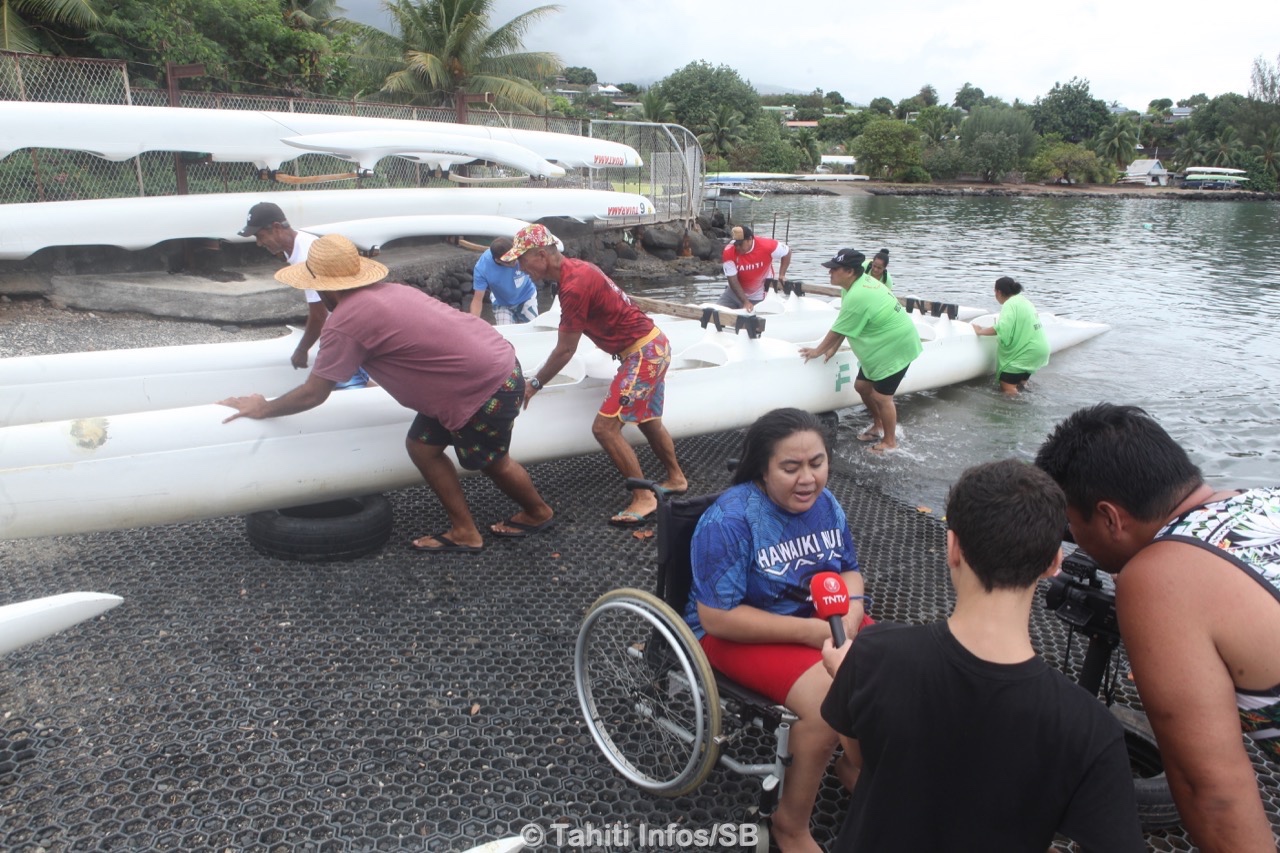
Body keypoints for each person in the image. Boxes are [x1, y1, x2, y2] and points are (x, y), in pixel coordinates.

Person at [819, 459, 1144, 852]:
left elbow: (862, 757)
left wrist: (846, 674)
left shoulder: (874, 654)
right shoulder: (1089, 728)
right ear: (1053, 563)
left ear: (952, 547)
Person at [1036, 403, 1280, 852]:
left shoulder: (1158, 577)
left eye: (1071, 522)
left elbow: (1214, 797)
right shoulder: (1260, 503)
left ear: (1110, 517)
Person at [218, 234, 555, 553]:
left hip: (486, 384)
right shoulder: (390, 291)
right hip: (487, 365)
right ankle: (465, 531)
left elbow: (313, 394)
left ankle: (538, 512)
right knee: (423, 447)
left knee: (493, 462)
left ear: (322, 289)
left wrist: (263, 408)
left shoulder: (345, 322)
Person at [686, 407, 871, 853]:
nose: (807, 478)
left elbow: (850, 572)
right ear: (763, 469)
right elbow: (718, 618)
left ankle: (855, 765)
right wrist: (812, 636)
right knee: (831, 704)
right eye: (790, 467)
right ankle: (789, 824)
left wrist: (849, 614)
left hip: (822, 617)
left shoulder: (826, 504)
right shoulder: (731, 521)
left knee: (888, 671)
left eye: (816, 463)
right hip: (737, 632)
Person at [503, 224, 688, 527]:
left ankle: (644, 498)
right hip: (654, 345)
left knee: (604, 429)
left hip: (643, 354)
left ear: (540, 255)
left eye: (522, 260)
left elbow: (565, 351)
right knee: (648, 419)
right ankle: (676, 478)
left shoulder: (574, 286)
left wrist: (533, 384)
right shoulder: (577, 269)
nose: (521, 268)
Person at [799, 249, 922, 454]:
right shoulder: (854, 285)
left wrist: (818, 351)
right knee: (862, 387)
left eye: (834, 270)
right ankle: (879, 424)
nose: (830, 273)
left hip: (895, 347)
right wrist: (833, 347)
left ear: (849, 272)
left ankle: (890, 442)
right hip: (880, 346)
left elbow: (838, 328)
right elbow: (846, 323)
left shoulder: (859, 294)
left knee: (883, 397)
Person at [239, 201, 369, 388]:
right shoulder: (295, 246)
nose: (259, 243)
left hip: (349, 327)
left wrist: (302, 350)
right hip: (347, 323)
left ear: (276, 228)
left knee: (345, 387)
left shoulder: (308, 256)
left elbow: (319, 315)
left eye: (261, 236)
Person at [971, 276, 1049, 395]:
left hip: (1025, 353)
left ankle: (1017, 409)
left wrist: (980, 331)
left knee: (1008, 390)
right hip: (1039, 350)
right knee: (1021, 386)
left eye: (994, 292)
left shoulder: (1009, 305)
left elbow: (1003, 328)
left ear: (998, 292)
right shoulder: (1025, 301)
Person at [717, 225, 791, 312]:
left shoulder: (767, 246)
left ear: (750, 239)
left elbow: (787, 252)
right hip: (735, 293)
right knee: (716, 313)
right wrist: (745, 301)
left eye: (740, 244)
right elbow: (733, 280)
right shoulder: (729, 251)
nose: (737, 248)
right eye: (735, 244)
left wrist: (782, 274)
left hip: (760, 293)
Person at [468, 236, 539, 325]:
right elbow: (477, 300)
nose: (515, 263)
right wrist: (473, 325)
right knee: (505, 335)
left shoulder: (520, 253)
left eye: (515, 258)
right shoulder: (483, 268)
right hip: (501, 302)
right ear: (498, 260)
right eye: (510, 262)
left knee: (534, 328)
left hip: (526, 295)